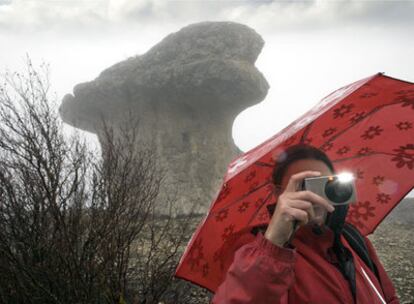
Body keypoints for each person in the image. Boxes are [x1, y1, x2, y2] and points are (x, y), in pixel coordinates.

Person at [211, 144, 399, 304]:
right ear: (278, 194)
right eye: (303, 186)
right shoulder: (252, 249)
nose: (314, 197)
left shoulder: (354, 240)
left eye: (324, 184)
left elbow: (389, 297)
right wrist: (273, 244)